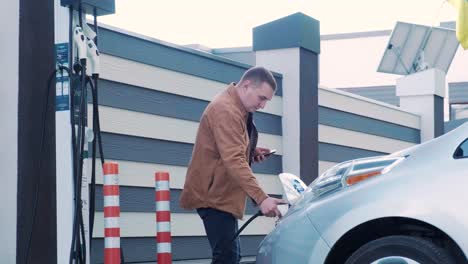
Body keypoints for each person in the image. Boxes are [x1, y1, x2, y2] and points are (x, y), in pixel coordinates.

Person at [179, 66, 284, 264]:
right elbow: (234, 159)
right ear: (246, 86)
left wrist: (251, 153)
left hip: (221, 195)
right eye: (262, 98)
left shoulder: (238, 108)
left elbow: (227, 149)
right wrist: (262, 199)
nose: (263, 105)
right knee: (227, 257)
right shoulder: (225, 110)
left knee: (229, 257)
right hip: (213, 196)